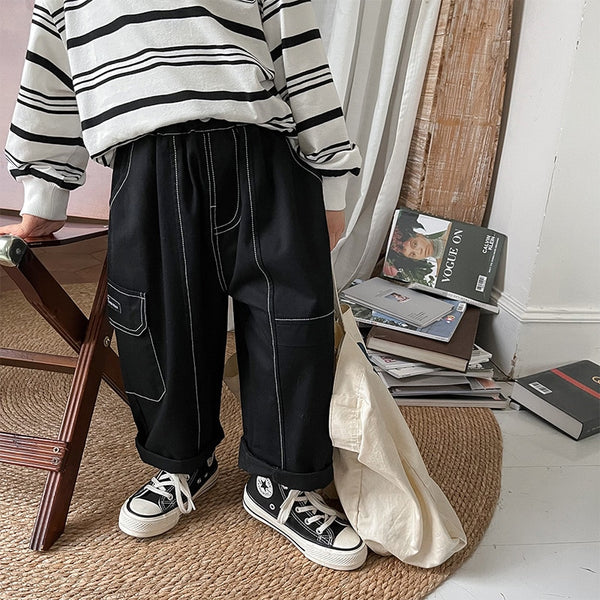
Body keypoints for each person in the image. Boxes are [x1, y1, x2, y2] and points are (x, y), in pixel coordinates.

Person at [1, 0, 367, 571]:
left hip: (263, 150)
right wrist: (45, 192)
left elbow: (298, 47)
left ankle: (280, 480)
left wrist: (330, 177)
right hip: (146, 156)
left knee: (291, 320)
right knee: (158, 321)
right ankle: (181, 461)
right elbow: (50, 67)